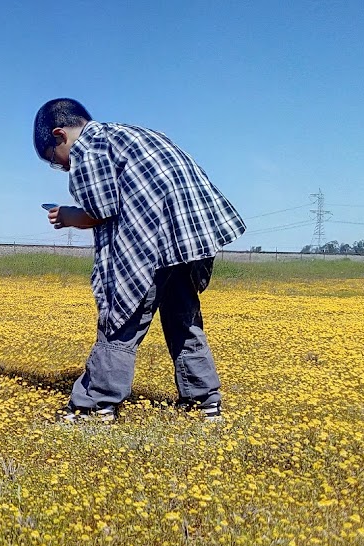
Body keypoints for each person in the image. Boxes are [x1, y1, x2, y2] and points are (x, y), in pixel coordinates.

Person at [32, 98, 245, 422]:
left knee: (121, 321)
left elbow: (99, 210)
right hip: (188, 242)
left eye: (54, 160)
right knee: (183, 321)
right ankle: (204, 402)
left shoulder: (89, 148)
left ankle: (94, 405)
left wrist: (67, 216)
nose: (62, 167)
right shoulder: (136, 135)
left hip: (150, 246)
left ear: (60, 135)